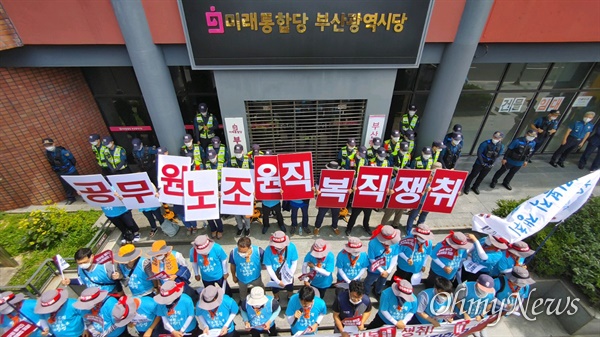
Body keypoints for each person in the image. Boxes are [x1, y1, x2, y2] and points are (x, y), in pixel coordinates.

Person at [363, 225, 401, 298]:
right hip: (374, 269)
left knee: (382, 282)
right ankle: (366, 293)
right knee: (368, 282)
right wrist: (381, 270)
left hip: (387, 269)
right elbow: (371, 258)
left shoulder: (395, 242)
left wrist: (389, 270)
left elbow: (395, 256)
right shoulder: (373, 243)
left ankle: (377, 292)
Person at [405, 162, 443, 233]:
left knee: (424, 215)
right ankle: (408, 229)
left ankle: (420, 227)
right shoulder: (426, 176)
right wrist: (426, 190)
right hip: (420, 200)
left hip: (429, 201)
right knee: (413, 215)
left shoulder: (441, 178)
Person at [263, 231, 298, 301]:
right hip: (275, 273)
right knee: (275, 288)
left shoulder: (291, 247)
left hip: (288, 273)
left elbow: (294, 262)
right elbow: (269, 267)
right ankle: (276, 297)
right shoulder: (268, 250)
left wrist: (289, 275)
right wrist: (277, 281)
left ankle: (290, 296)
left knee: (290, 287)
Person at [314, 161, 346, 236]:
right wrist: (317, 192)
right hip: (325, 198)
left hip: (335, 198)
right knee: (321, 214)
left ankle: (334, 226)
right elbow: (317, 185)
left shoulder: (341, 175)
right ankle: (317, 227)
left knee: (335, 214)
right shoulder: (323, 175)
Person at [43, 138, 78, 205]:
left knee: (78, 184)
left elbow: (72, 159)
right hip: (61, 172)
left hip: (70, 170)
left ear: (53, 143)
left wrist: (69, 167)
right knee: (66, 186)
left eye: (49, 145)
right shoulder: (48, 153)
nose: (48, 147)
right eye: (46, 145)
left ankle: (85, 197)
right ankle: (71, 198)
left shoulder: (62, 151)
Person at [230, 144, 253, 236]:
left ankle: (247, 227)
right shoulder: (231, 160)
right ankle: (240, 227)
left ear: (243, 152)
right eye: (236, 152)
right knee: (236, 212)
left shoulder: (248, 160)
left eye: (239, 152)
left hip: (245, 189)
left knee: (245, 211)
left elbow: (253, 173)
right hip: (234, 189)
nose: (237, 154)